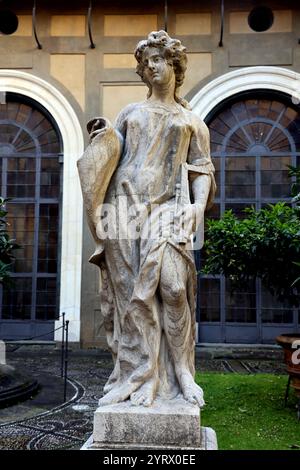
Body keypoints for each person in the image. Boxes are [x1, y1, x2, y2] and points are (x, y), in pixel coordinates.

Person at [78, 30, 216, 408]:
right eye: (147, 62)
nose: (151, 67)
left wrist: (196, 207)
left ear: (175, 65)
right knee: (130, 298)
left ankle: (182, 372)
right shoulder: (130, 113)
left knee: (172, 288)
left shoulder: (191, 121)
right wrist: (105, 136)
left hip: (169, 209)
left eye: (159, 60)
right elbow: (111, 154)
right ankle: (139, 374)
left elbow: (202, 169)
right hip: (123, 209)